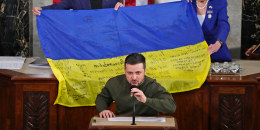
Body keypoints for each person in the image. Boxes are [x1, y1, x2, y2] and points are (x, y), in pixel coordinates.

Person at [95, 53, 176, 118]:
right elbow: (101, 98)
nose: (134, 77)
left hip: (148, 125)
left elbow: (171, 107)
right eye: (129, 73)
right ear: (125, 71)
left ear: (144, 71)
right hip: (122, 124)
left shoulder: (152, 85)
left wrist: (146, 100)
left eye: (138, 73)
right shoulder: (114, 83)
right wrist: (103, 110)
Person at [32, 0, 121, 16]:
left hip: (106, 38)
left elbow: (119, 11)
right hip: (84, 39)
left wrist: (122, 9)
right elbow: (58, 7)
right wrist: (41, 9)